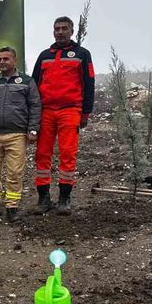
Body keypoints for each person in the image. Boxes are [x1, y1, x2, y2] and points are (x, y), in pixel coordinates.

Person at [31, 17, 95, 216]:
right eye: (57, 29)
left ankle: (64, 198)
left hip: (70, 110)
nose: (60, 32)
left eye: (64, 28)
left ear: (71, 31)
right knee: (42, 154)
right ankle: (43, 198)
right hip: (46, 111)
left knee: (68, 154)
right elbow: (33, 85)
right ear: (53, 32)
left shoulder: (82, 55)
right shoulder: (44, 56)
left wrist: (85, 112)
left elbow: (89, 84)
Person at [0, 47, 41, 223]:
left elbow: (35, 106)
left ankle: (12, 207)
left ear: (15, 61)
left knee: (14, 173)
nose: (2, 62)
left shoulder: (27, 81)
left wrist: (33, 129)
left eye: (6, 59)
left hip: (17, 135)